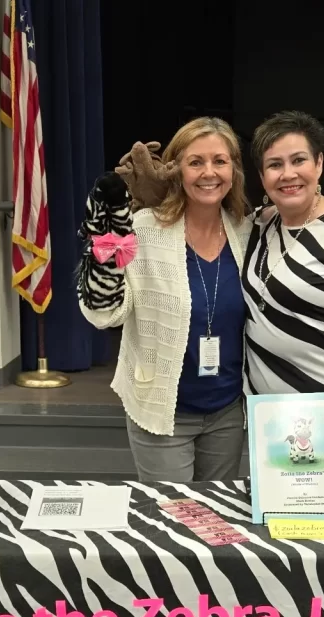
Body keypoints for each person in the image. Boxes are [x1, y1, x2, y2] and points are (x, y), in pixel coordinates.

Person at [118, 110, 324, 482]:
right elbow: (198, 205)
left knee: (315, 519)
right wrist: (161, 197)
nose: (288, 174)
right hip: (268, 410)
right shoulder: (260, 223)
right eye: (274, 164)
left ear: (320, 164)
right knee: (278, 521)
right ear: (261, 176)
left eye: (299, 161)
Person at [77, 117, 252, 483]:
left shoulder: (246, 231)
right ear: (175, 170)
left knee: (218, 518)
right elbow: (104, 313)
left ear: (234, 169)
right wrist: (106, 234)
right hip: (162, 410)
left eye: (220, 161)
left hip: (228, 411)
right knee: (176, 522)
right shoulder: (142, 229)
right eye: (195, 162)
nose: (209, 172)